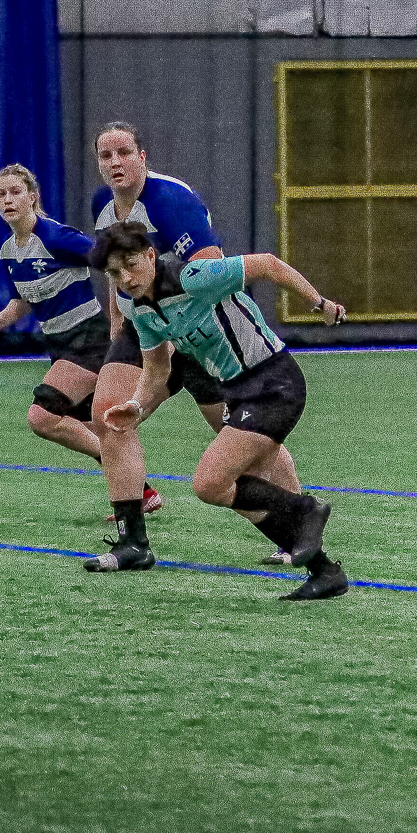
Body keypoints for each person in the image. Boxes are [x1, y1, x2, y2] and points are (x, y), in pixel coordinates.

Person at [88, 222, 351, 600]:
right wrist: (136, 405)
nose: (125, 279)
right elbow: (157, 367)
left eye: (131, 264)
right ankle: (325, 572)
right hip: (240, 394)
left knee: (211, 483)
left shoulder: (195, 277)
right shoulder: (134, 305)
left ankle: (305, 509)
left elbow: (268, 264)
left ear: (150, 255)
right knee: (249, 492)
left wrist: (320, 304)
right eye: (114, 273)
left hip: (274, 383)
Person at [85, 123, 233, 538]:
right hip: (143, 324)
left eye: (124, 152)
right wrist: (117, 317)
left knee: (238, 433)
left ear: (142, 156)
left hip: (197, 328)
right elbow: (115, 264)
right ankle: (132, 538)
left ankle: (296, 522)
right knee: (109, 416)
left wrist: (175, 331)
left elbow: (212, 267)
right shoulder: (102, 203)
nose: (115, 162)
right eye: (105, 155)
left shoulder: (170, 201)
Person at [0, 164, 111, 462]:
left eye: (15, 192)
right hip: (58, 344)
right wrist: (2, 319)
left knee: (42, 417)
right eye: (1, 194)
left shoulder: (55, 237)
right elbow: (24, 299)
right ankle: (136, 485)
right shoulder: (8, 251)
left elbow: (111, 259)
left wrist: (125, 312)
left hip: (89, 339)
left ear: (32, 197)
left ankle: (123, 468)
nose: (7, 200)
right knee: (91, 429)